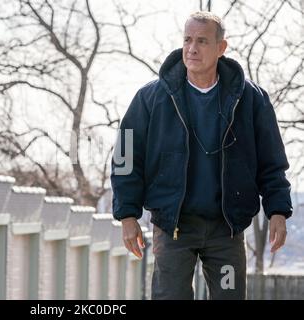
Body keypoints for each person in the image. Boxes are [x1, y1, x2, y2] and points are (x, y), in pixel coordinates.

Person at [111, 11, 292, 300]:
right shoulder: (150, 99)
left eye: (202, 41)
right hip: (173, 228)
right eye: (187, 40)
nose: (192, 48)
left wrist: (278, 210)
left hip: (227, 230)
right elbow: (125, 158)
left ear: (221, 48)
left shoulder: (251, 100)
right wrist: (127, 214)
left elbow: (272, 161)